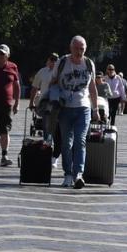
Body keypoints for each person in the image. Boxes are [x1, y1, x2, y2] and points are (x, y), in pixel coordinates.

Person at [54, 35, 99, 189]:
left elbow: (92, 87)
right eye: (77, 49)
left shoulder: (88, 63)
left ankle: (78, 174)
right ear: (70, 48)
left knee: (80, 140)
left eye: (82, 49)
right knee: (66, 143)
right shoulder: (62, 62)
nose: (79, 52)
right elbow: (53, 82)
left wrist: (95, 109)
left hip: (83, 107)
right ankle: (67, 174)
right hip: (65, 107)